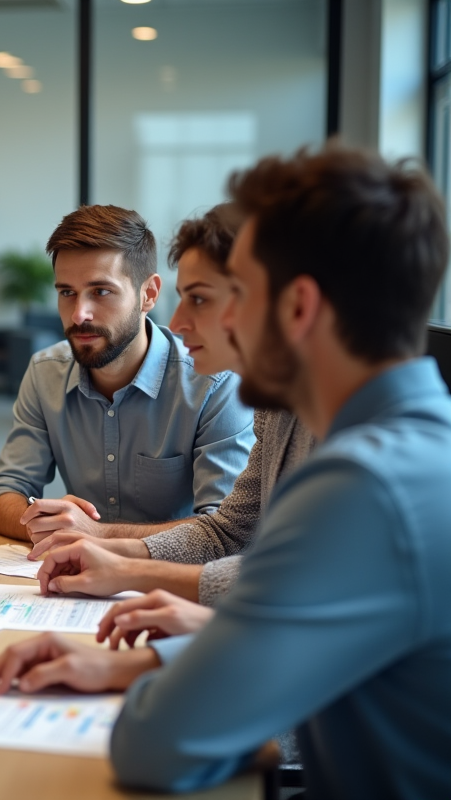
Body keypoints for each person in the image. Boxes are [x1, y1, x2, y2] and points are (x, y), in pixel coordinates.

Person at [0, 145, 451, 798]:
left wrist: (158, 657)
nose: (196, 324)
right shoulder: (402, 450)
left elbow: (154, 742)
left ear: (298, 308)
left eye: (234, 296)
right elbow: (296, 611)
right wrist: (151, 655)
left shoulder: (363, 489)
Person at [30, 205, 316, 607]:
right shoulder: (279, 408)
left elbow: (304, 579)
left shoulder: (365, 435)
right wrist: (119, 564)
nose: (177, 322)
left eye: (198, 299)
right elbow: (229, 534)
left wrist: (125, 565)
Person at [0, 204, 253, 542]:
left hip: (172, 582)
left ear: (148, 294)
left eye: (101, 291)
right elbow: (2, 494)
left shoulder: (213, 383)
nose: (79, 314)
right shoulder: (45, 372)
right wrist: (45, 524)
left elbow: (226, 529)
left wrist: (96, 535)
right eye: (67, 292)